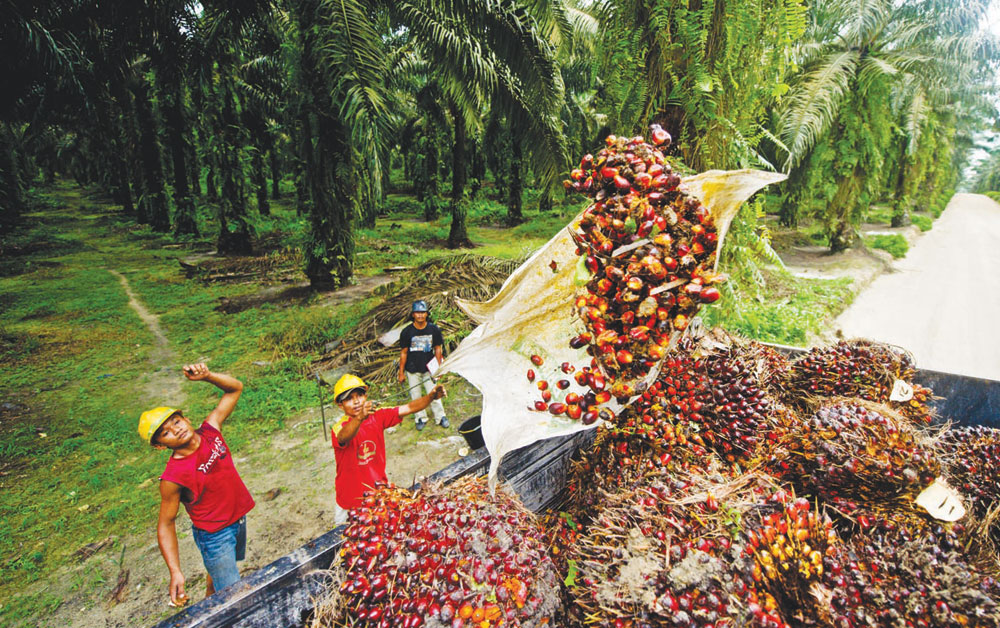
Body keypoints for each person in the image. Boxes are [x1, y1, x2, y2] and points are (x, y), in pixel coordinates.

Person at [138, 363, 254, 608]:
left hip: (237, 519)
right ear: (160, 445)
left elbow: (235, 389)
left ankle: (210, 601)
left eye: (176, 422)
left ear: (186, 419)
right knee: (235, 597)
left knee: (220, 578)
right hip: (215, 536)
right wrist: (175, 571)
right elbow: (166, 523)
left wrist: (208, 376)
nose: (176, 430)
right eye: (165, 433)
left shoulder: (211, 430)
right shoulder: (173, 477)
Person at [330, 373, 446, 524]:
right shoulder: (339, 428)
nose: (356, 401)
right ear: (340, 405)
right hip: (349, 500)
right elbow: (343, 438)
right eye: (349, 399)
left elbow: (409, 407)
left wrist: (431, 397)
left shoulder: (377, 416)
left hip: (378, 494)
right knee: (345, 538)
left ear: (366, 396)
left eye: (359, 395)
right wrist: (359, 418)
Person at [397, 299, 448, 430]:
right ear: (413, 314)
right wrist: (401, 372)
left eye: (423, 312)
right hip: (412, 369)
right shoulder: (407, 332)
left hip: (428, 369)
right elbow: (403, 353)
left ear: (427, 314)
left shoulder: (433, 329)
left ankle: (440, 416)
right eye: (417, 312)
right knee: (416, 395)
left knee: (434, 393)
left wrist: (438, 368)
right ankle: (420, 417)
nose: (420, 315)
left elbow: (438, 348)